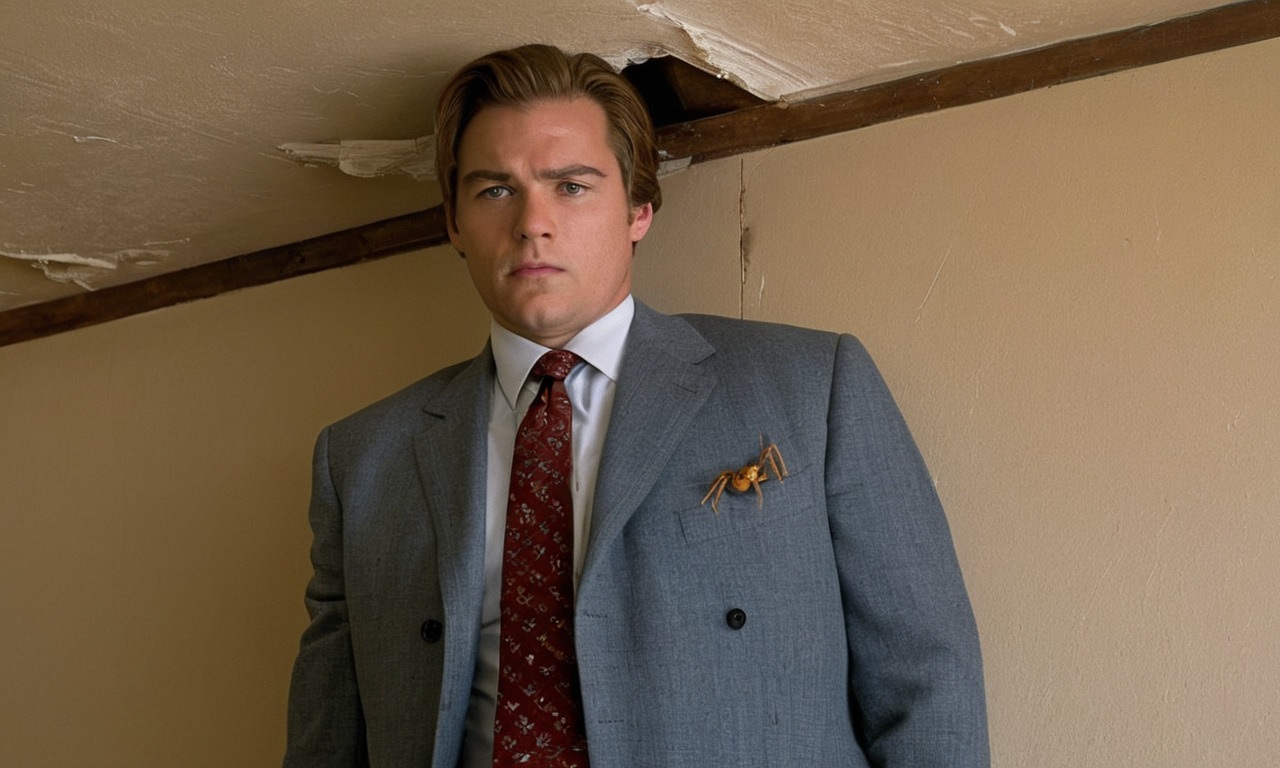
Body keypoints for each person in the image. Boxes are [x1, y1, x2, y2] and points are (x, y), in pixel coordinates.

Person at [284, 44, 989, 767]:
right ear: (454, 223)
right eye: (495, 190)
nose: (532, 222)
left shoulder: (810, 387)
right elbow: (324, 744)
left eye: (571, 186)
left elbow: (927, 683)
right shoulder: (361, 461)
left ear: (639, 210)